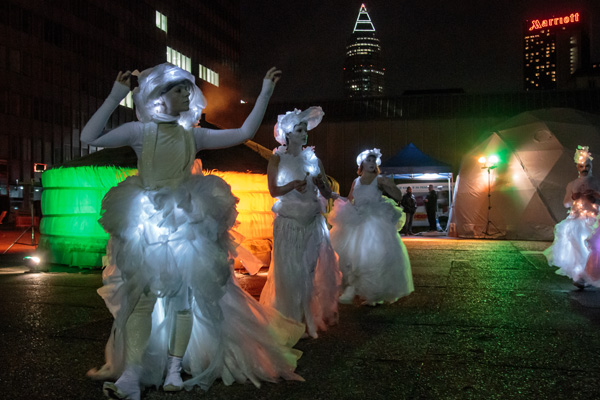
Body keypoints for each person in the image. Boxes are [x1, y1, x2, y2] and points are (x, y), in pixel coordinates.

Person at [82, 63, 304, 400]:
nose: (187, 94)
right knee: (141, 300)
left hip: (187, 223)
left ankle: (174, 368)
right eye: (179, 89)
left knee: (183, 300)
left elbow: (243, 133)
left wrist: (265, 93)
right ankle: (132, 374)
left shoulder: (193, 135)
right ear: (158, 95)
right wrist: (116, 95)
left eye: (188, 89)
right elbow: (89, 137)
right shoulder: (140, 132)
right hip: (147, 222)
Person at [259, 107, 341, 339]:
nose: (304, 134)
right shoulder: (277, 158)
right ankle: (289, 321)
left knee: (308, 271)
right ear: (288, 134)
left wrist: (320, 184)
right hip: (289, 223)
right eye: (299, 129)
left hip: (312, 222)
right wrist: (293, 184)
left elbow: (326, 190)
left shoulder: (313, 159)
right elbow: (274, 190)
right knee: (289, 273)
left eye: (305, 129)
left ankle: (305, 320)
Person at [329, 149, 414, 305]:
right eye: (368, 160)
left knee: (372, 257)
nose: (371, 163)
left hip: (374, 220)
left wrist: (389, 185)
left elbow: (397, 195)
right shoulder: (356, 181)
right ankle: (358, 289)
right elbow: (350, 200)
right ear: (361, 163)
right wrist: (336, 197)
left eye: (374, 161)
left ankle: (369, 292)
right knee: (352, 256)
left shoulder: (379, 179)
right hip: (356, 218)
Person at [545, 146, 600, 289]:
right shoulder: (572, 184)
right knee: (578, 247)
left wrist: (594, 196)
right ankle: (579, 275)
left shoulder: (596, 183)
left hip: (594, 221)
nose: (584, 169)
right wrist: (573, 197)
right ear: (577, 167)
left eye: (587, 166)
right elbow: (566, 203)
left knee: (591, 248)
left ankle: (588, 274)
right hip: (577, 220)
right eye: (582, 166)